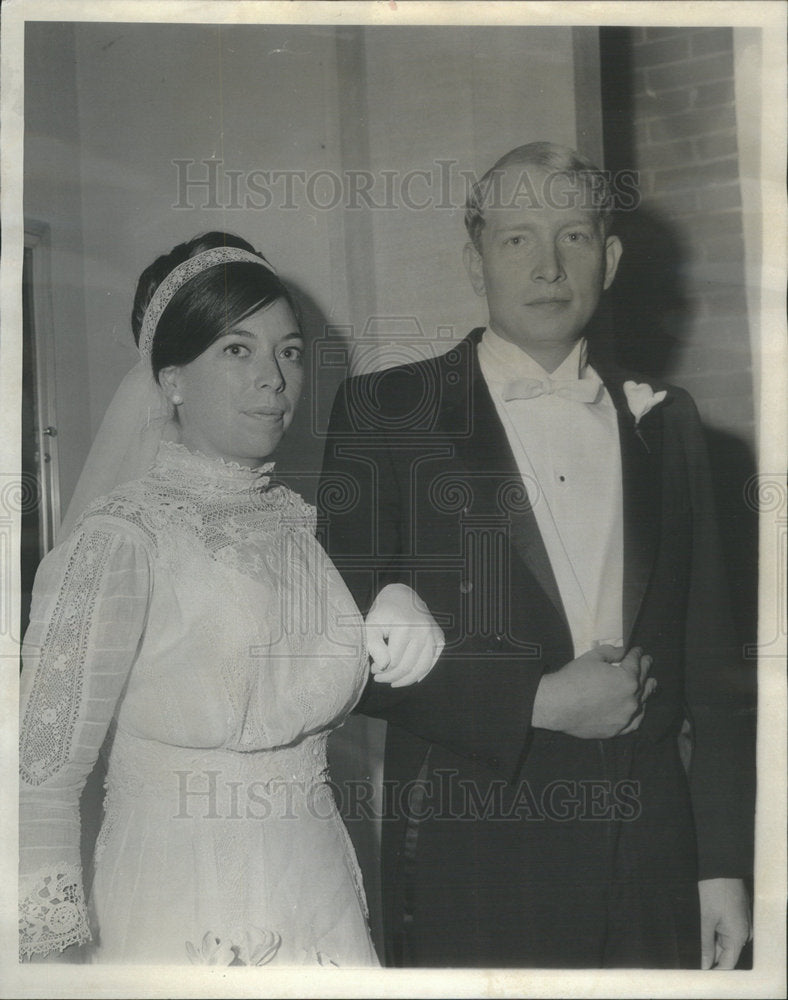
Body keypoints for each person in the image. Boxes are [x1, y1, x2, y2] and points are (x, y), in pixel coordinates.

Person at [319, 143, 755, 968]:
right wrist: (536, 701)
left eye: (575, 237)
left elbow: (716, 670)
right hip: (475, 860)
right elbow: (340, 647)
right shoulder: (389, 414)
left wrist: (723, 867)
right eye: (518, 238)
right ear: (474, 257)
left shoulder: (672, 423)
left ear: (611, 257)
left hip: (655, 860)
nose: (549, 266)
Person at [18, 231, 440, 965]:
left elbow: (301, 675)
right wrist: (45, 960)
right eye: (237, 350)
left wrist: (399, 596)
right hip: (181, 905)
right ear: (172, 379)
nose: (274, 378)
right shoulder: (123, 540)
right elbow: (39, 775)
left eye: (290, 351)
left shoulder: (301, 525)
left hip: (316, 891)